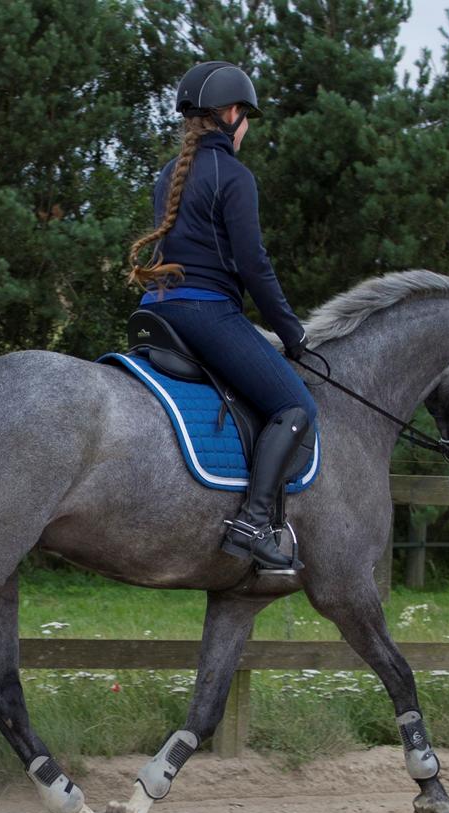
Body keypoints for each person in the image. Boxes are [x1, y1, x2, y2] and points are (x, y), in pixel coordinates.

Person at [127, 61, 317, 573]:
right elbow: (253, 263)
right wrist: (290, 332)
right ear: (233, 114)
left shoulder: (171, 173)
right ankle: (254, 524)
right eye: (247, 118)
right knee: (296, 406)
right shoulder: (234, 175)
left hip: (157, 312)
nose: (247, 128)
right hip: (205, 312)